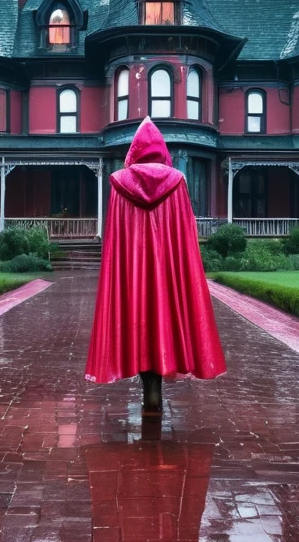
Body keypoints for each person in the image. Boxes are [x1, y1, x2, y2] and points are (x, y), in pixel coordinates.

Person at [85, 117, 226, 417]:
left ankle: (147, 384)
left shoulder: (119, 184)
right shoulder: (177, 182)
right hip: (167, 270)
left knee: (136, 317)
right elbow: (184, 235)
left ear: (134, 152)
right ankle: (155, 386)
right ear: (162, 152)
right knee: (162, 315)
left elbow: (116, 239)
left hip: (132, 271)